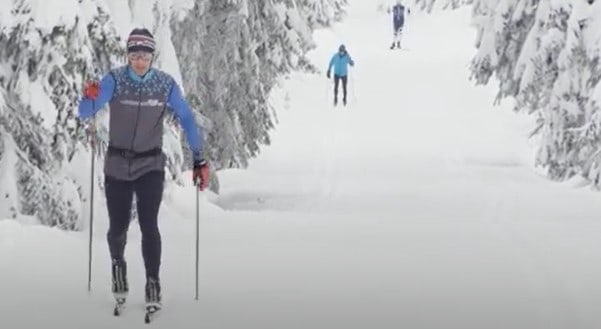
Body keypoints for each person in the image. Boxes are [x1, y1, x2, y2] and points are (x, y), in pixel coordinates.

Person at [77, 28, 209, 311]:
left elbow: (186, 117)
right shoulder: (115, 80)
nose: (139, 61)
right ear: (128, 56)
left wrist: (198, 158)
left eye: (145, 56)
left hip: (150, 164)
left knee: (150, 225)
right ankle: (118, 267)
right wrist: (89, 96)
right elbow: (86, 111)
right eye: (134, 55)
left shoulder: (164, 84)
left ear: (152, 56)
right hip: (117, 164)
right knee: (117, 229)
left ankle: (152, 281)